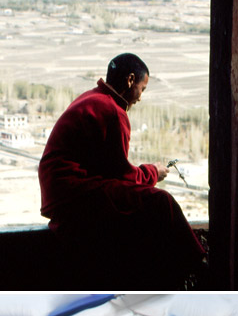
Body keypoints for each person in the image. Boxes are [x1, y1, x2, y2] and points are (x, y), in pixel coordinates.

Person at [38, 51, 206, 286]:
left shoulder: (92, 98)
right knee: (161, 202)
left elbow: (108, 170)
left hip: (61, 192)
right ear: (130, 81)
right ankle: (199, 264)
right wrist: (153, 173)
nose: (140, 98)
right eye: (142, 88)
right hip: (74, 194)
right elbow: (121, 175)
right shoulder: (112, 112)